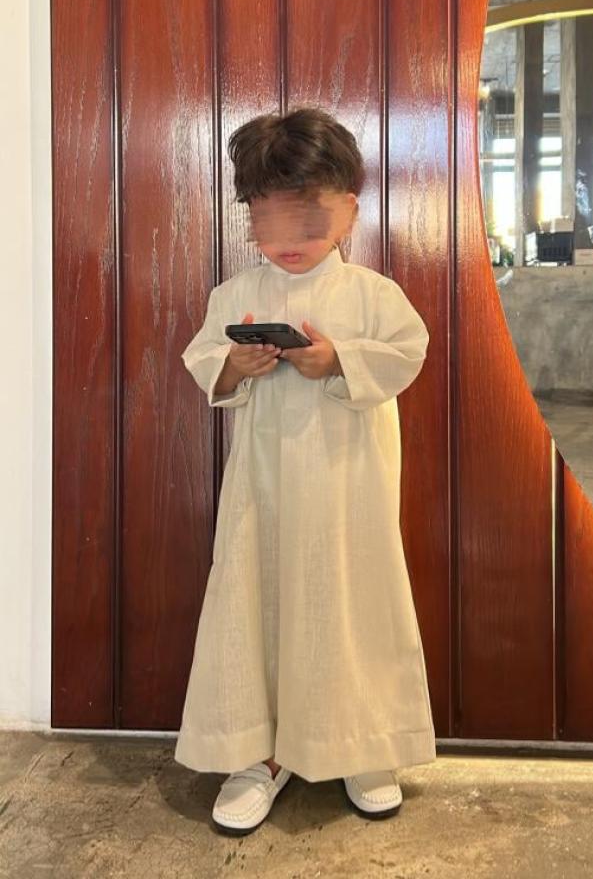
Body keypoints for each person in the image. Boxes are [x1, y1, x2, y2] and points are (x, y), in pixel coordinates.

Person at [174, 107, 437, 835]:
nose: (288, 243)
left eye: (309, 222)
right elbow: (205, 358)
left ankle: (363, 743)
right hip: (260, 490)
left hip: (350, 488)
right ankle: (255, 754)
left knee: (352, 601)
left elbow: (405, 354)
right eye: (268, 222)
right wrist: (237, 363)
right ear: (250, 215)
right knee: (254, 599)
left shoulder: (373, 295)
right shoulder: (235, 295)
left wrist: (337, 361)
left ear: (349, 210)